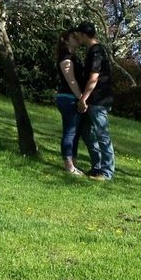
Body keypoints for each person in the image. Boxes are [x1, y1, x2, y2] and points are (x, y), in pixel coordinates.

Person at [74, 21, 115, 181]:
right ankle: (97, 167)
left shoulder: (97, 51)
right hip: (92, 100)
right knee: (87, 133)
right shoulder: (92, 51)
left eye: (78, 35)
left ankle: (107, 172)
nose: (77, 38)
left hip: (98, 100)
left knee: (102, 135)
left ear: (84, 35)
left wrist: (83, 98)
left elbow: (94, 78)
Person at [55, 29, 86, 176]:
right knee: (70, 132)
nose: (78, 38)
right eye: (74, 37)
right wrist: (81, 98)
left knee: (75, 133)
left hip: (72, 97)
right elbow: (71, 81)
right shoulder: (66, 58)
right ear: (66, 40)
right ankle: (69, 166)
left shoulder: (73, 57)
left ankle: (73, 163)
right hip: (68, 98)